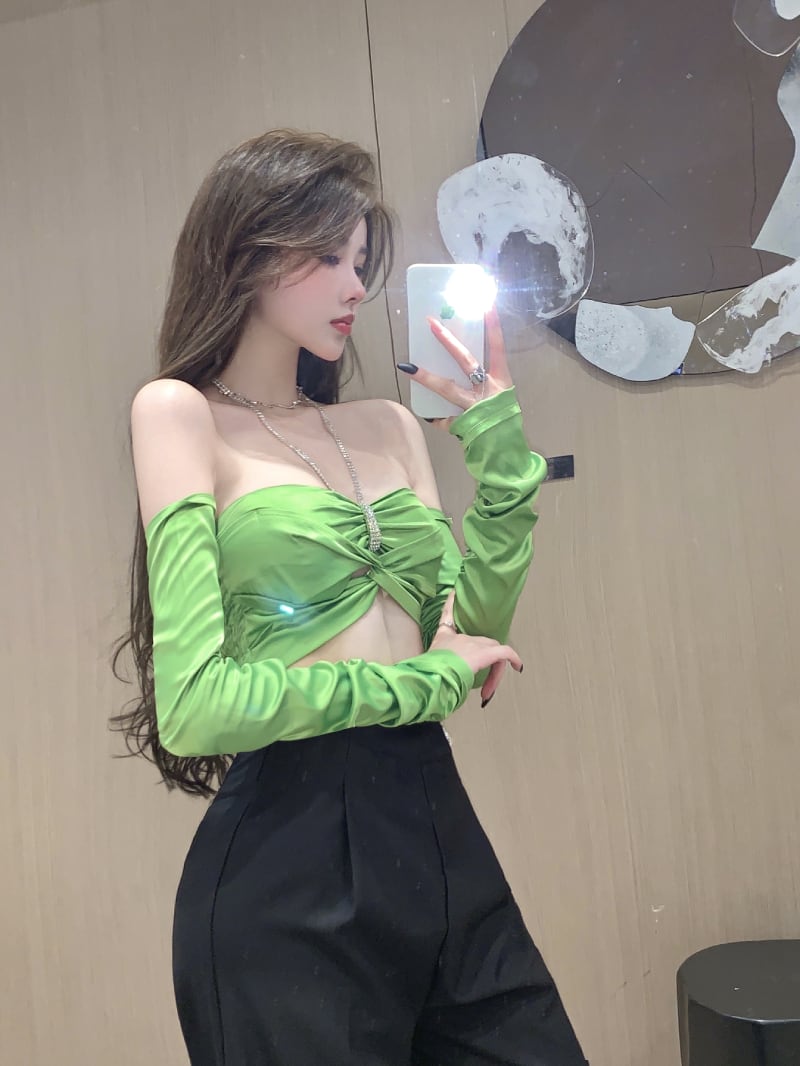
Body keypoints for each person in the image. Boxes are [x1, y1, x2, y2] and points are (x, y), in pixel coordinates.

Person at [112, 129, 587, 1066]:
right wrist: (422, 683)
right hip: (287, 880)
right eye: (327, 256)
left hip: (439, 838)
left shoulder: (389, 426)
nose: (355, 286)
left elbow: (468, 638)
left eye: (361, 260)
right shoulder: (177, 415)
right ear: (248, 250)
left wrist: (500, 456)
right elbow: (197, 706)